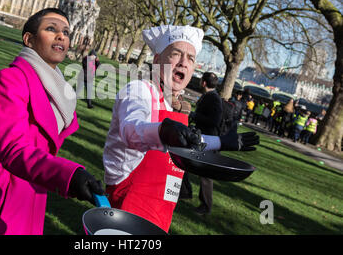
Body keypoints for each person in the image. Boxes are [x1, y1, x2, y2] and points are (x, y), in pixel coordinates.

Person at [0, 8, 104, 235]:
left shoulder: (61, 91)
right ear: (29, 39)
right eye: (51, 29)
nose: (61, 36)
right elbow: (14, 150)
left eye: (66, 31)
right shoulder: (11, 79)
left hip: (31, 198)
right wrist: (69, 174)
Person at [102, 25, 259, 232]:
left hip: (162, 209)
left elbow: (185, 142)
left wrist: (222, 142)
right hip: (129, 203)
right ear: (157, 61)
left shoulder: (176, 105)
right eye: (176, 54)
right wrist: (163, 131)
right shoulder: (139, 90)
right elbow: (132, 130)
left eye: (191, 58)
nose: (184, 63)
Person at [188, 72, 223, 216]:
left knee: (206, 175)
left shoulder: (214, 98)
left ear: (203, 83)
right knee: (184, 162)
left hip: (209, 141)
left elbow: (214, 121)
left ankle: (206, 206)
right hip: (202, 138)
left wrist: (194, 115)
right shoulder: (210, 96)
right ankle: (184, 192)